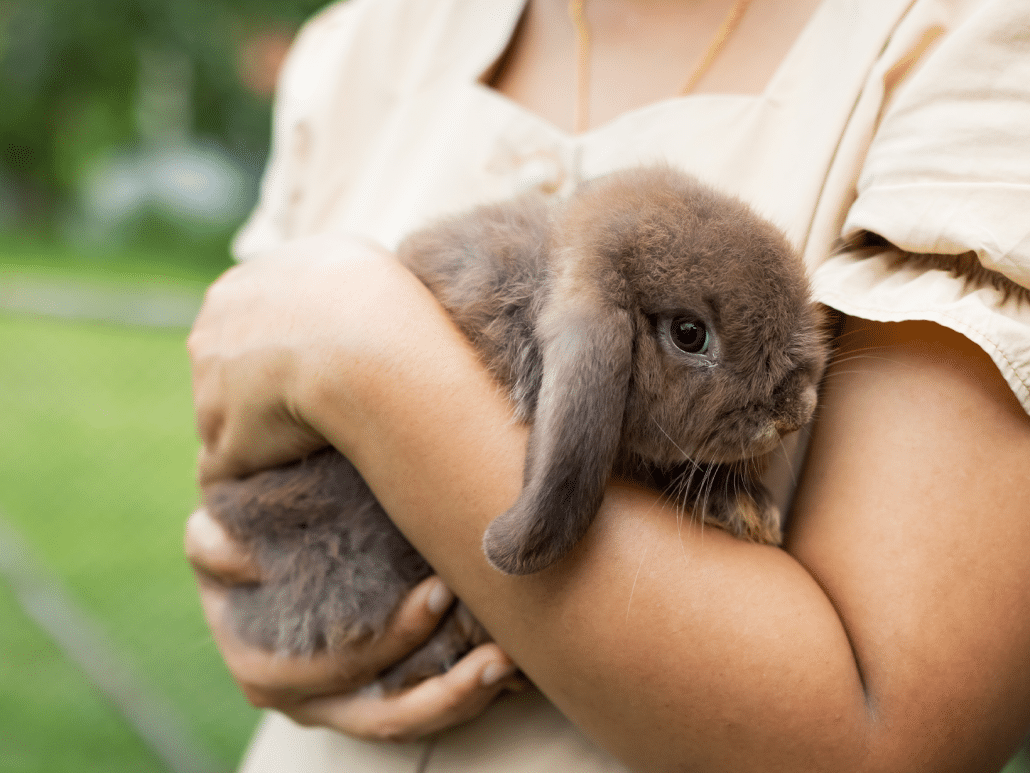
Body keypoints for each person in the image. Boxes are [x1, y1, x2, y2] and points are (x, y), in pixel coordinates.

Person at [184, 0, 1030, 770]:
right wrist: (252, 589)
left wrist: (358, 340)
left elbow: (890, 744)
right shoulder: (363, 44)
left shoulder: (970, 44)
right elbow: (238, 456)